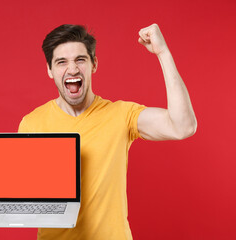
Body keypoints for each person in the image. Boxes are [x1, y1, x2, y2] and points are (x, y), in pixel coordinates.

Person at [18, 24, 197, 240]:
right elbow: (28, 198)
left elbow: (183, 126)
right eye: (61, 62)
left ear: (94, 64)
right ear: (49, 70)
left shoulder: (121, 114)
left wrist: (163, 53)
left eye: (80, 60)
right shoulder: (32, 124)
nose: (72, 69)